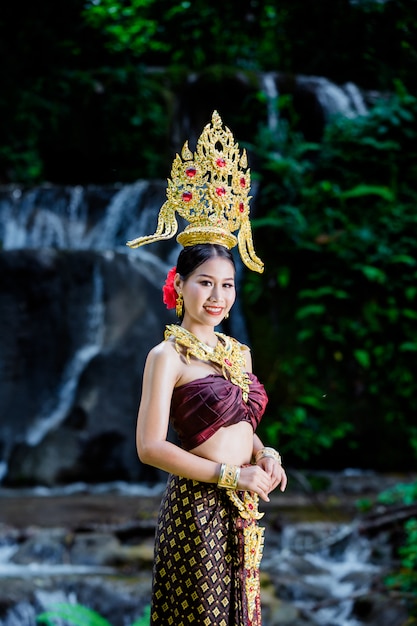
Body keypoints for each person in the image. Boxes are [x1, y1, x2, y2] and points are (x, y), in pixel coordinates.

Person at [127, 111, 287, 626]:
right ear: (179, 284)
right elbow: (150, 448)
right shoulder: (166, 357)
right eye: (205, 283)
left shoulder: (238, 352)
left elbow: (242, 428)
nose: (218, 297)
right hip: (197, 510)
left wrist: (265, 455)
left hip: (243, 508)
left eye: (228, 285)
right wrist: (229, 474)